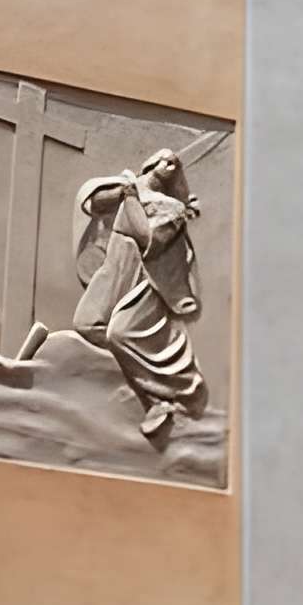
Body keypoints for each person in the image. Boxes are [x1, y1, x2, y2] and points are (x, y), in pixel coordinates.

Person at [73, 149, 206, 440]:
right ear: (150, 164)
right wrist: (124, 190)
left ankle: (161, 399)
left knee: (119, 333)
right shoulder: (125, 185)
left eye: (175, 163)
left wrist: (132, 199)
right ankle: (127, 377)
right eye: (165, 159)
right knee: (86, 324)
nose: (170, 164)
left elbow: (150, 241)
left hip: (143, 273)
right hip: (114, 263)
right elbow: (93, 202)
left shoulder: (171, 208)